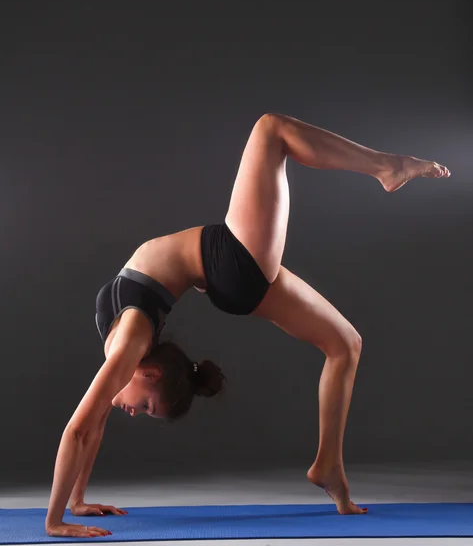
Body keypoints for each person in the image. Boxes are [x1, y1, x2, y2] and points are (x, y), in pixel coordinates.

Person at [45, 113, 451, 538]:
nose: (135, 411)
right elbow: (89, 429)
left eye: (145, 406)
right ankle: (387, 166)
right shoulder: (128, 346)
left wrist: (60, 517)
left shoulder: (128, 343)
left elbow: (81, 429)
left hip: (227, 264)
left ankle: (328, 465)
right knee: (270, 131)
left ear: (150, 373)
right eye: (147, 409)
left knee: (345, 344)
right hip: (228, 267)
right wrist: (75, 501)